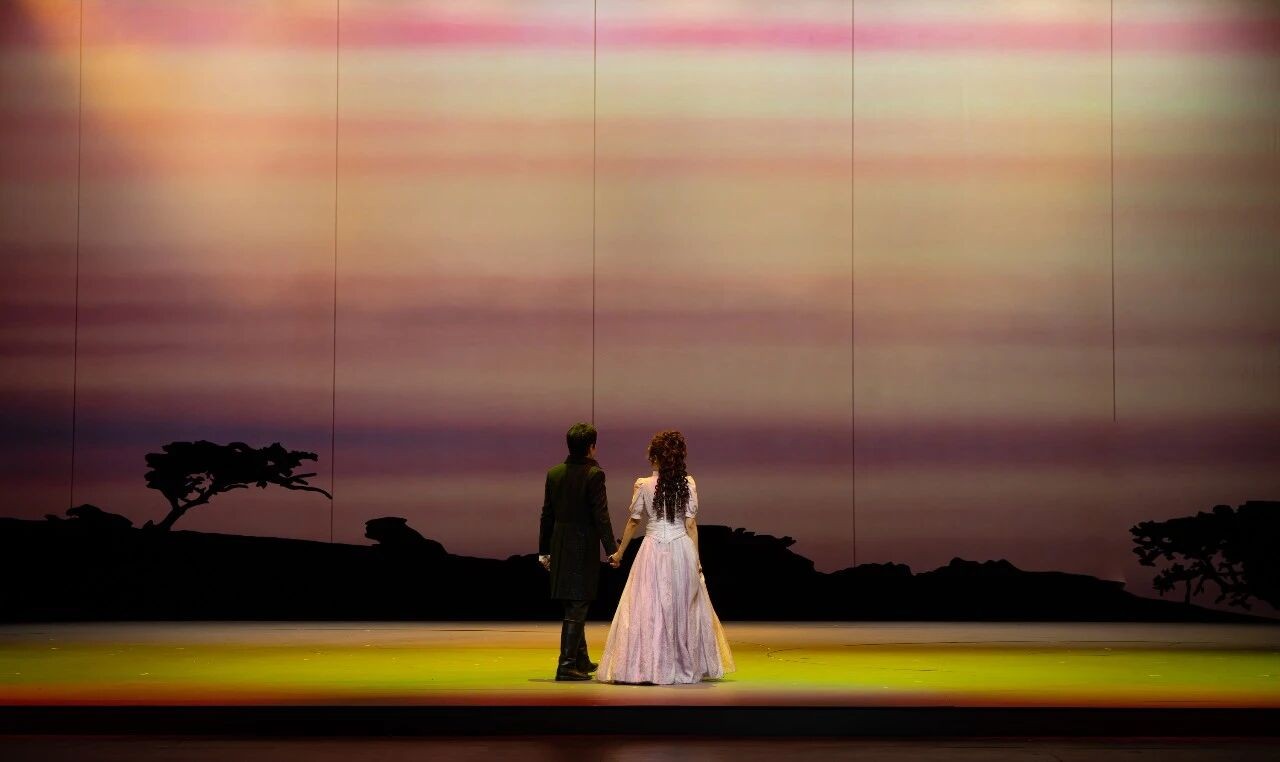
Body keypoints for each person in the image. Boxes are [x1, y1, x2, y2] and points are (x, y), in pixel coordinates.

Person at [595, 430, 735, 684]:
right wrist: (696, 560)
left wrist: (619, 553)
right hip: (681, 548)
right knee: (682, 605)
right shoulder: (687, 483)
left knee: (649, 606)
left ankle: (649, 665)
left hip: (653, 550)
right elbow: (690, 525)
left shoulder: (643, 484)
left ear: (655, 457)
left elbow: (634, 521)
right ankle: (681, 663)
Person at [538, 422, 620, 681]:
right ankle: (566, 665)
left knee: (573, 603)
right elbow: (601, 516)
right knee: (577, 604)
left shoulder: (554, 473)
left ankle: (580, 659)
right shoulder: (594, 474)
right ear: (591, 447)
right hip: (581, 544)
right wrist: (612, 550)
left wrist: (544, 550)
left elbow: (546, 515)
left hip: (559, 543)